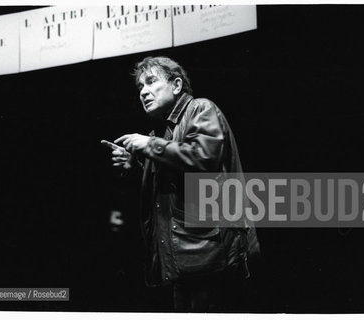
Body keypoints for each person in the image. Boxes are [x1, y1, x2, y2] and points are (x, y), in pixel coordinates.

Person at [101, 56, 258, 312]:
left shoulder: (201, 109)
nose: (143, 91)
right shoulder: (162, 134)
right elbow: (168, 189)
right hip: (184, 261)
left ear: (176, 85)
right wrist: (135, 168)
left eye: (151, 82)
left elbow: (204, 158)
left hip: (210, 258)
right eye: (140, 86)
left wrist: (149, 145)